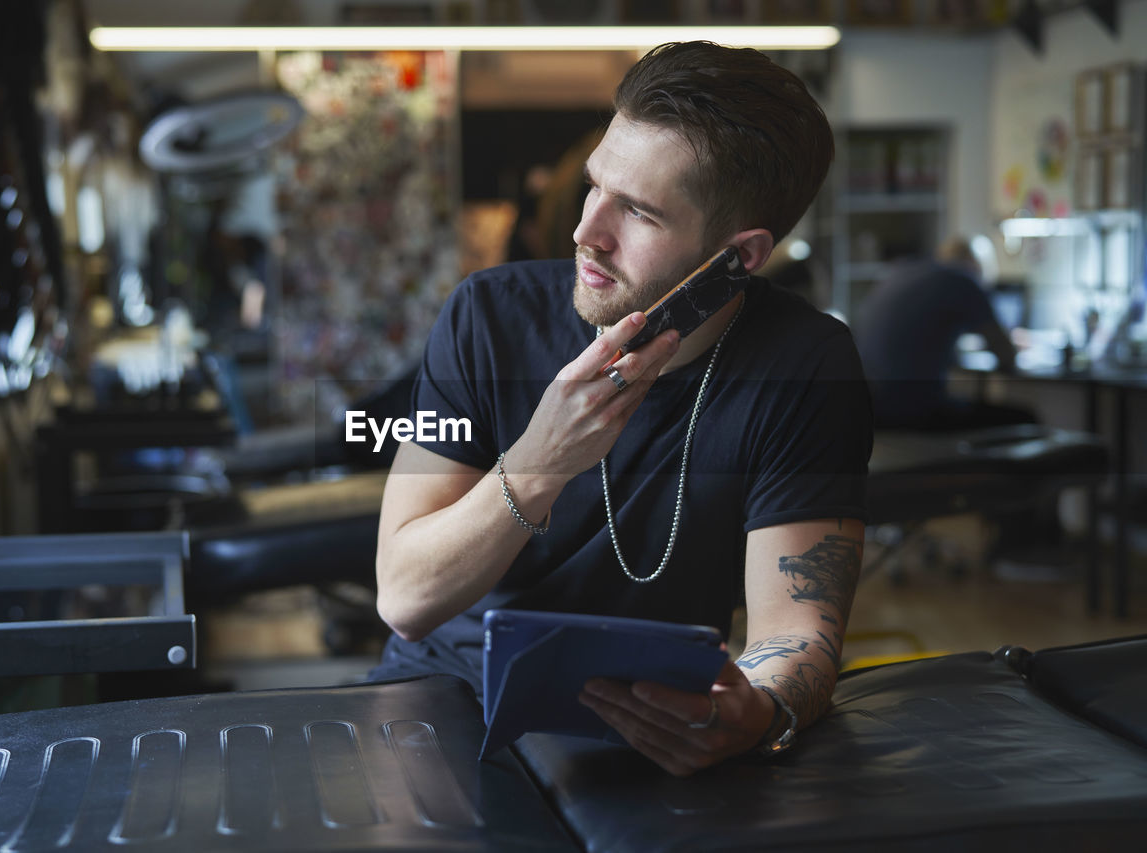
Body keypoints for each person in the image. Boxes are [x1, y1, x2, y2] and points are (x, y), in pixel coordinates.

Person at [369, 42, 872, 777]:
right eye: (593, 186)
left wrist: (755, 710)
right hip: (442, 698)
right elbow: (405, 597)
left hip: (647, 722)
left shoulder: (804, 366)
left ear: (741, 254)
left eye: (636, 211)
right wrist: (541, 461)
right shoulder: (487, 316)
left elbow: (796, 634)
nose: (585, 232)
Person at [854, 237, 1031, 430]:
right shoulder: (963, 279)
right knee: (1026, 418)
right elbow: (1006, 355)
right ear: (975, 266)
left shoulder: (900, 274)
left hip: (871, 409)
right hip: (913, 412)